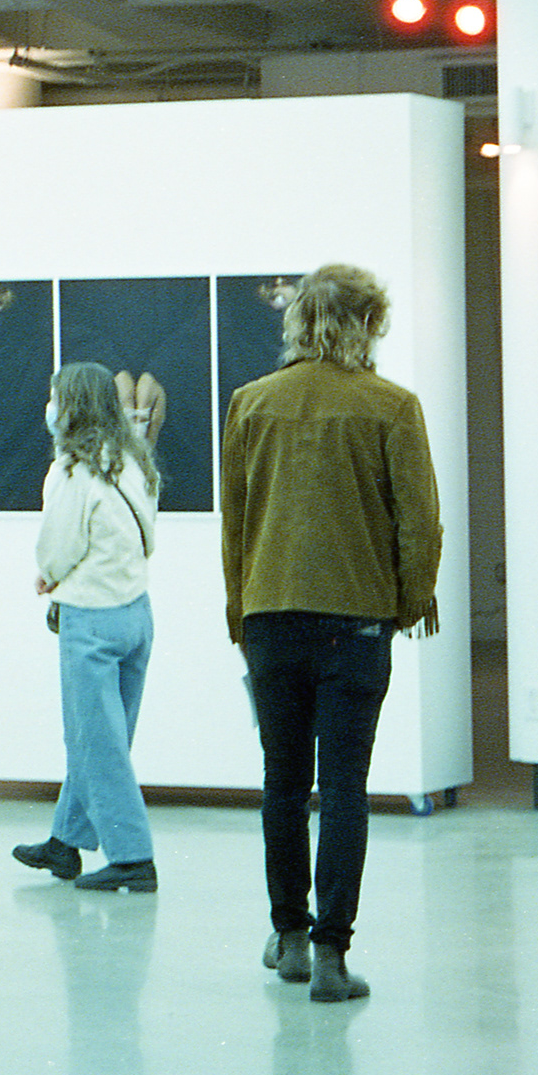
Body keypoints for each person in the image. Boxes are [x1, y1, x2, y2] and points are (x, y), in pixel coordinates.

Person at [219, 262, 442, 1005]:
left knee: (282, 781)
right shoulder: (392, 406)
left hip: (271, 619)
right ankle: (331, 957)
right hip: (356, 623)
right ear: (368, 323)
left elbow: (237, 529)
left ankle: (286, 935)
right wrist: (410, 603)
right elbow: (421, 523)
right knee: (344, 785)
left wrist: (238, 613)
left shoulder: (251, 404)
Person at [15, 361, 162, 894]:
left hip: (92, 623)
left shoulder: (72, 472)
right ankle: (66, 841)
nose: (49, 408)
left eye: (56, 397)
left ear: (71, 406)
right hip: (136, 615)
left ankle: (132, 856)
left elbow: (58, 545)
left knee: (96, 742)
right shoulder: (133, 461)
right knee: (104, 736)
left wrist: (48, 575)